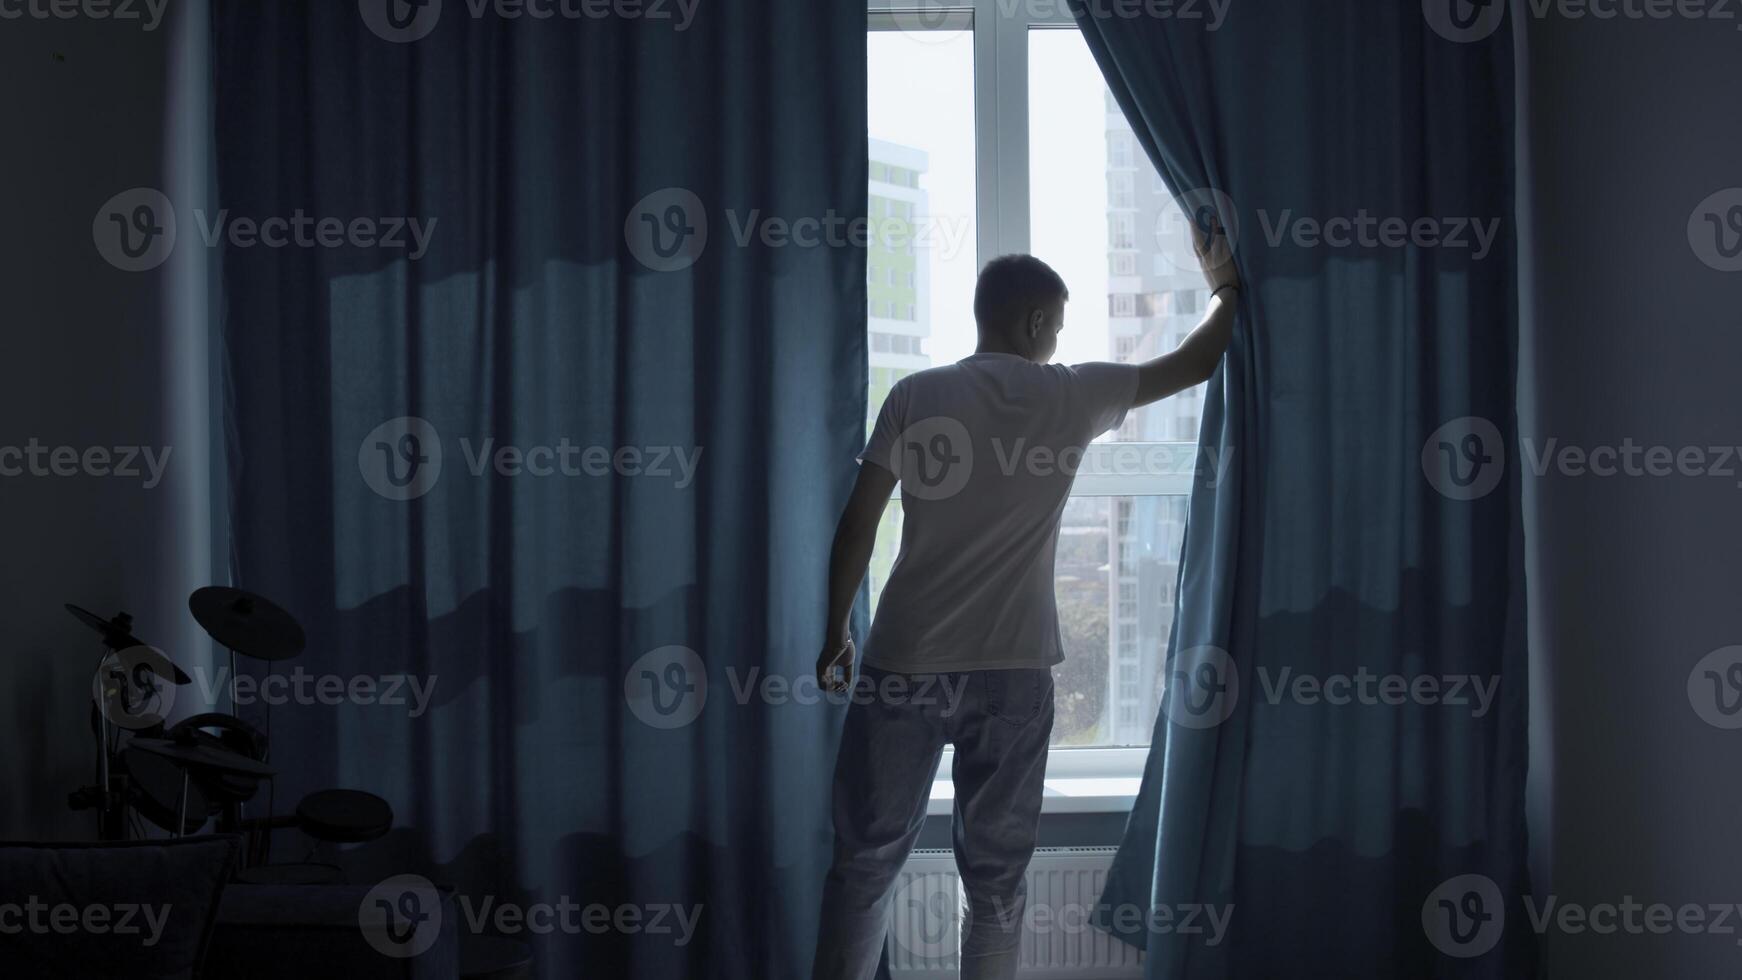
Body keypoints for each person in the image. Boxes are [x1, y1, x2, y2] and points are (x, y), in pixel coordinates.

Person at [810, 219, 1240, 980]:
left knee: (864, 866)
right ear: (1038, 322)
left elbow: (856, 528)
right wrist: (1224, 282)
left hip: (903, 663)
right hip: (1012, 675)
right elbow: (1200, 360)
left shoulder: (916, 394)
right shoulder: (1071, 394)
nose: (1056, 339)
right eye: (1057, 326)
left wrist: (835, 631)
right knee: (998, 888)